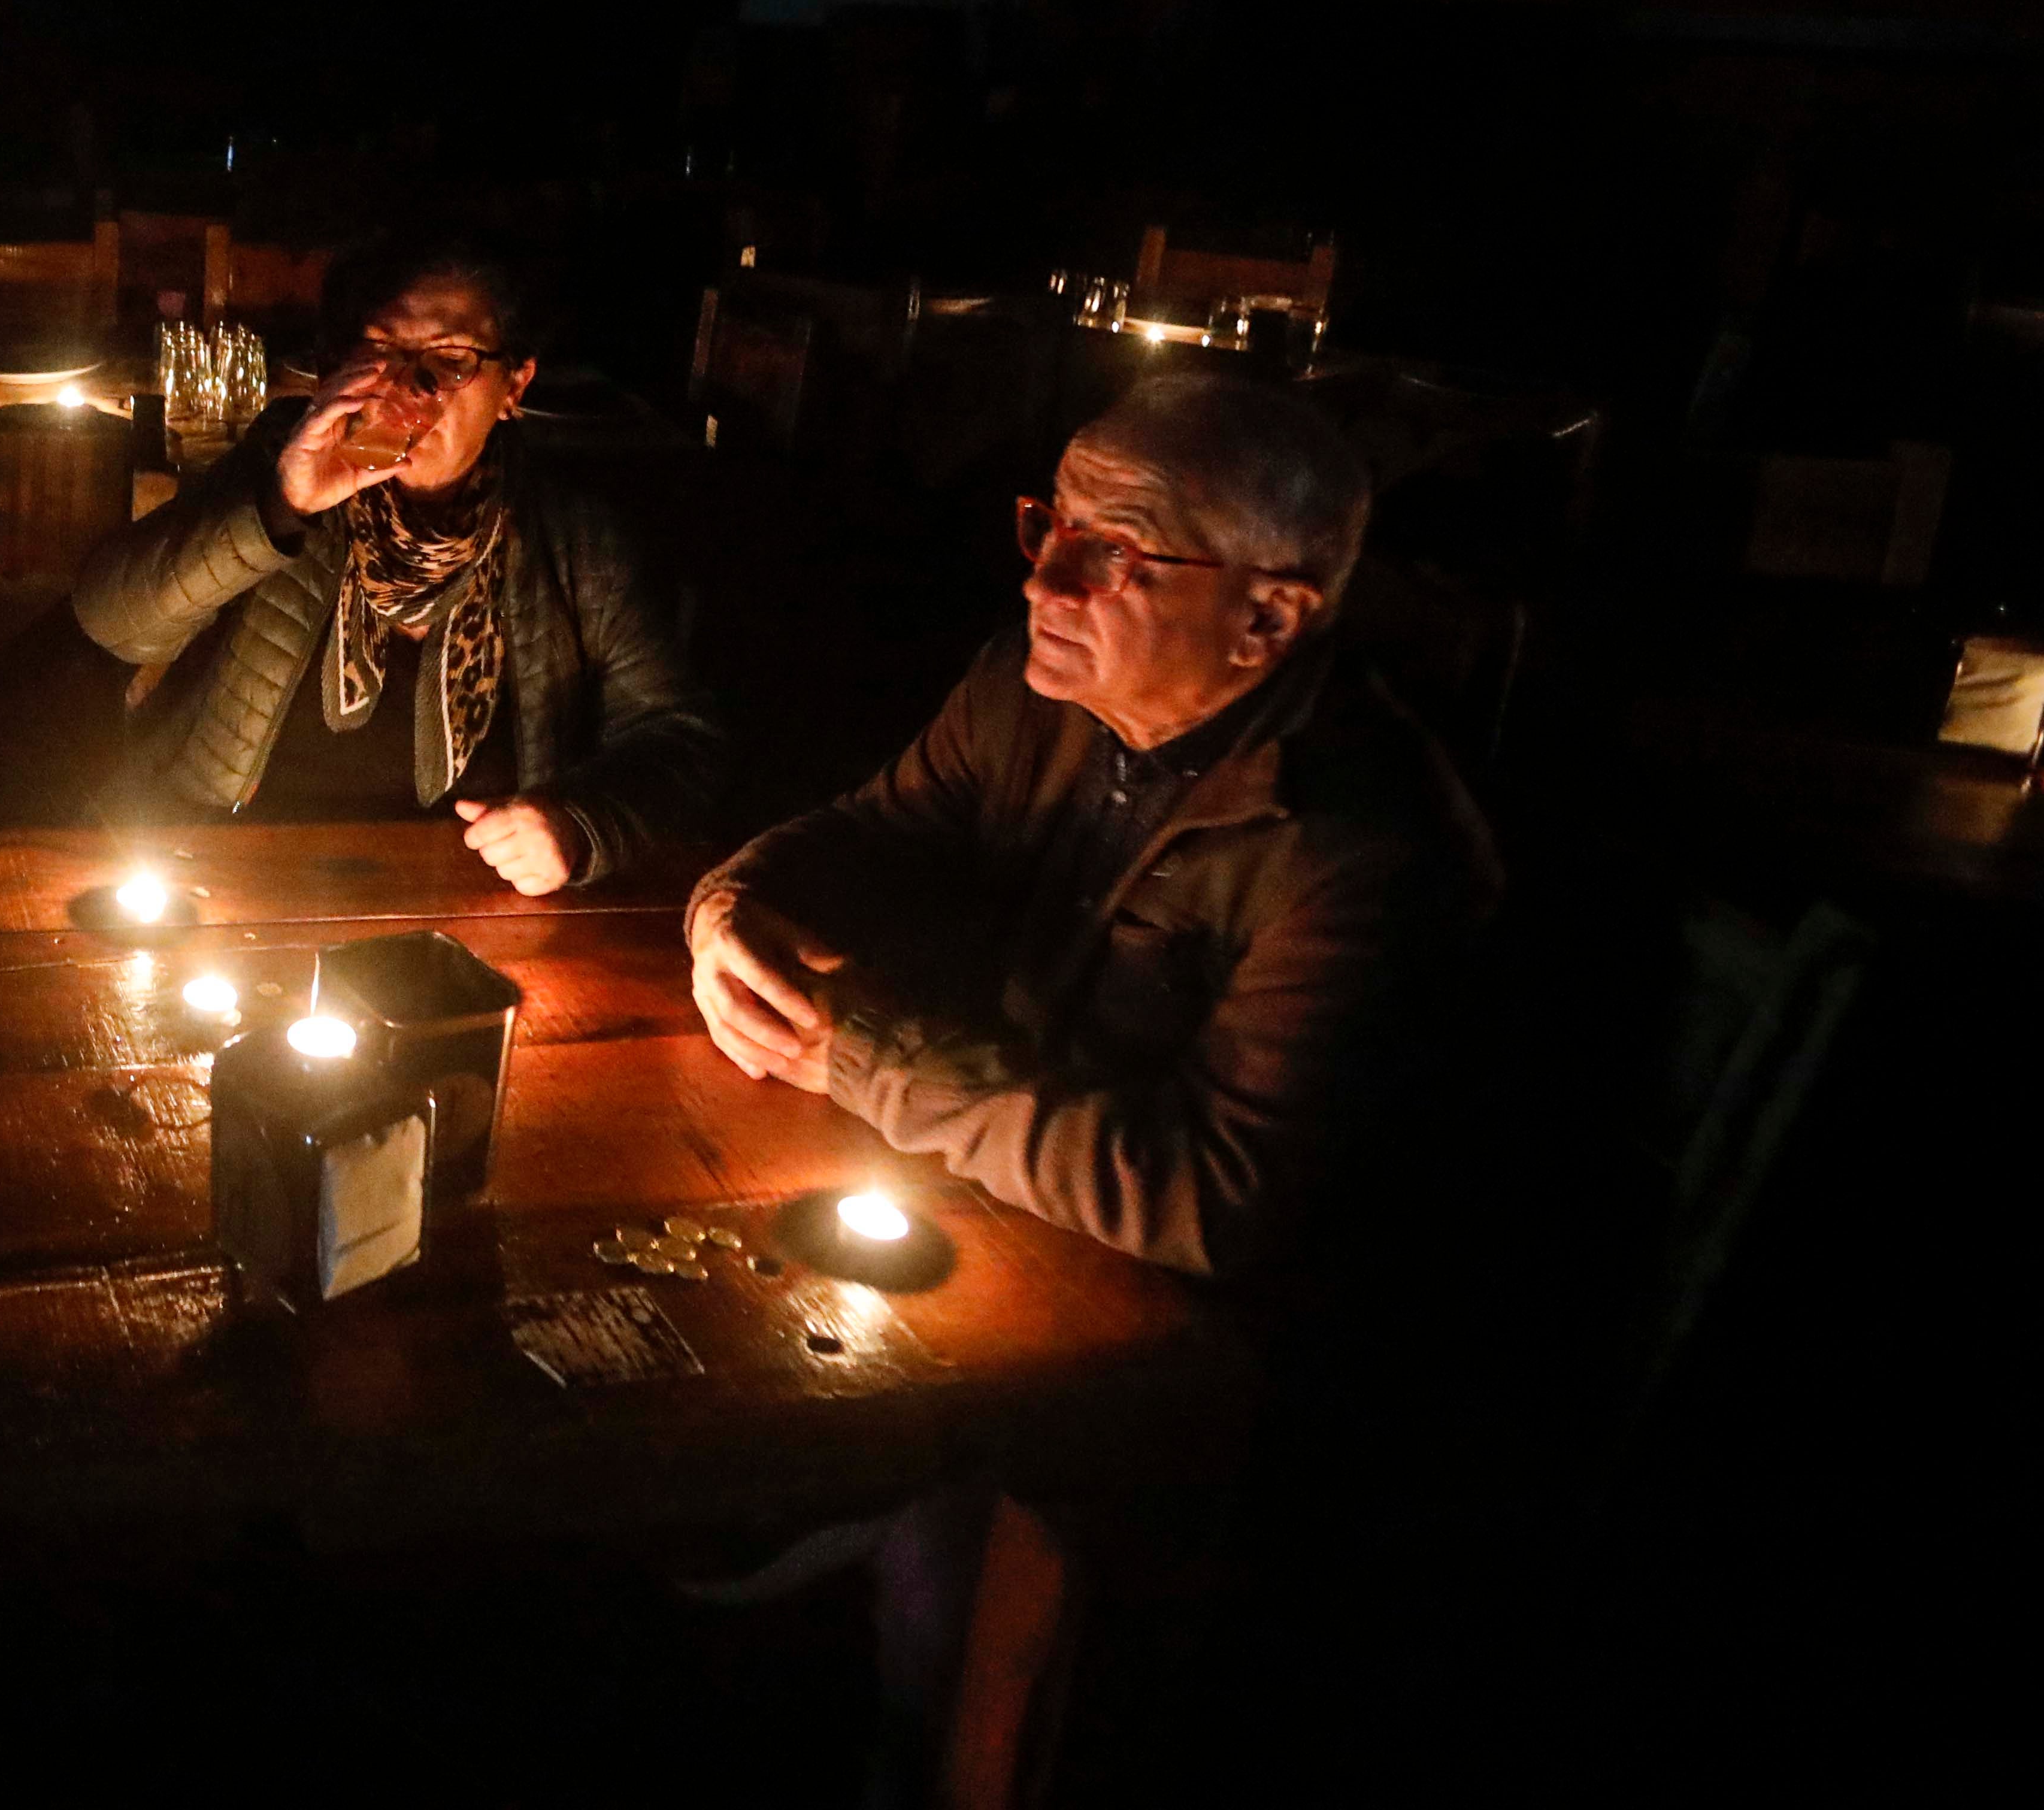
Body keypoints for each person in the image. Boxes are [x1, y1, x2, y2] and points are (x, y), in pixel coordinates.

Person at [683, 370, 1494, 1275]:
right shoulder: (1033, 695)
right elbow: (876, 835)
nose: (1045, 585)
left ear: (1264, 617)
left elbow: (1217, 1196)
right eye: (1054, 528)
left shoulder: (1356, 847)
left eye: (1113, 554)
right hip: (985, 1209)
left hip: (1206, 1336)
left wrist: (867, 1064)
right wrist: (732, 908)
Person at [71, 236, 720, 891]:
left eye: (451, 359)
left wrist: (581, 825)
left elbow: (680, 739)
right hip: (241, 873)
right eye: (381, 352)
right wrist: (279, 508)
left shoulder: (575, 535)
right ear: (337, 369)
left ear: (513, 385)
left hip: (478, 900)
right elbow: (112, 620)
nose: (415, 389)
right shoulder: (280, 467)